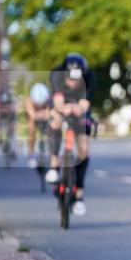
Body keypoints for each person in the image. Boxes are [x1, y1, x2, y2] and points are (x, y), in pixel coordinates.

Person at [45, 52, 95, 217]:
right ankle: (53, 164)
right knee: (55, 119)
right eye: (70, 79)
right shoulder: (57, 75)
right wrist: (63, 108)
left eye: (77, 79)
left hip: (80, 108)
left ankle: (79, 194)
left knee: (84, 150)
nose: (73, 83)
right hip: (62, 104)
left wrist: (79, 109)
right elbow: (58, 102)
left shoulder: (90, 78)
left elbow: (85, 104)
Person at [25, 82, 52, 168]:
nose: (40, 106)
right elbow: (32, 115)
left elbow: (49, 114)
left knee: (51, 130)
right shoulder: (28, 101)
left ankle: (52, 153)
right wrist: (41, 114)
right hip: (34, 118)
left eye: (42, 104)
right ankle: (31, 154)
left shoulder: (48, 101)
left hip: (43, 117)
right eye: (37, 104)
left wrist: (45, 114)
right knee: (32, 130)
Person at [0, 86, 17, 163]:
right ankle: (0, 144)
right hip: (2, 120)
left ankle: (13, 149)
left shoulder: (11, 109)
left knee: (12, 133)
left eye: (7, 104)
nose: (5, 106)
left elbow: (13, 119)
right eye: (3, 104)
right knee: (0, 132)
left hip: (10, 119)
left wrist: (12, 126)